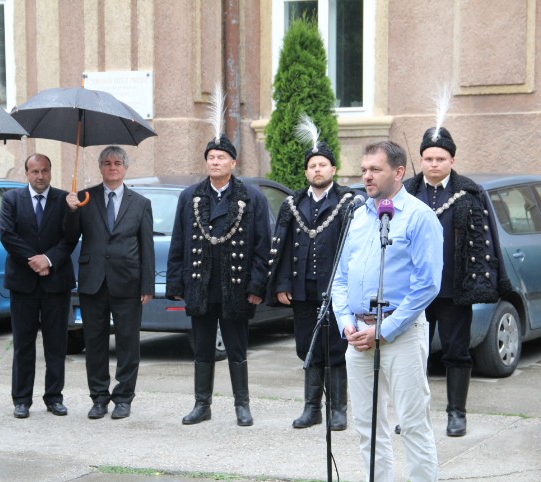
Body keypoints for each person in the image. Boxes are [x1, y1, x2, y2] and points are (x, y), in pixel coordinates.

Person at [331, 141, 443, 482]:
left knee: (412, 425)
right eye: (364, 169)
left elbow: (427, 284)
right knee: (367, 427)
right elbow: (340, 278)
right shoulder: (357, 216)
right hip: (357, 336)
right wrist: (346, 323)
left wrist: (384, 330)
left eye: (375, 169)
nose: (366, 176)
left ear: (398, 172)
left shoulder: (420, 216)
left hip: (401, 334)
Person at [404, 127, 511, 437]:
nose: (434, 164)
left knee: (456, 352)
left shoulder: (470, 192)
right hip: (415, 293)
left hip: (454, 290)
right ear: (421, 160)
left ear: (452, 160)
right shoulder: (407, 193)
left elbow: (488, 238)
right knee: (414, 355)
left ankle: (456, 414)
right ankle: (413, 414)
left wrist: (494, 281)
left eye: (440, 158)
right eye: (428, 158)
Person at [166, 133, 271, 427]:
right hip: (201, 284)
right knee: (202, 348)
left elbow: (263, 246)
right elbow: (178, 241)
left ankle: (242, 405)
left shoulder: (252, 197)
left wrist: (257, 285)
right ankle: (202, 405)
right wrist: (176, 284)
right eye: (211, 157)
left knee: (236, 348)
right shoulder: (190, 197)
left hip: (236, 286)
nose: (215, 162)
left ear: (233, 163)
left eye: (221, 157)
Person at [266, 137, 356, 431]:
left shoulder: (348, 202)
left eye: (322, 164)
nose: (317, 169)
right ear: (306, 172)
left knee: (336, 348)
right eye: (312, 165)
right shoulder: (293, 204)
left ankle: (338, 410)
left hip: (337, 290)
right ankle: (312, 409)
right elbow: (281, 246)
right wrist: (282, 284)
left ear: (333, 169)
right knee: (308, 347)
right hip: (302, 289)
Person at [65, 146, 155, 420]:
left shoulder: (140, 203)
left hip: (128, 281)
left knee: (128, 342)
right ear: (100, 168)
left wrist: (147, 285)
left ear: (125, 167)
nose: (112, 167)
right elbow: (69, 237)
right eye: (107, 163)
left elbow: (146, 247)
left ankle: (124, 398)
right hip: (93, 281)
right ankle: (99, 397)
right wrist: (70, 211)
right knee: (94, 343)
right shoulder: (84, 198)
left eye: (117, 163)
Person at [0, 153, 77, 419]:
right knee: (23, 343)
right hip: (23, 283)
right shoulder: (11, 199)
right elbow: (7, 235)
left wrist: (49, 259)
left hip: (56, 282)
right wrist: (34, 260)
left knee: (56, 344)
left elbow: (71, 237)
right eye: (35, 171)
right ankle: (21, 399)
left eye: (44, 171)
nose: (40, 176)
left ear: (50, 172)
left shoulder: (64, 199)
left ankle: (54, 397)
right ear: (27, 173)